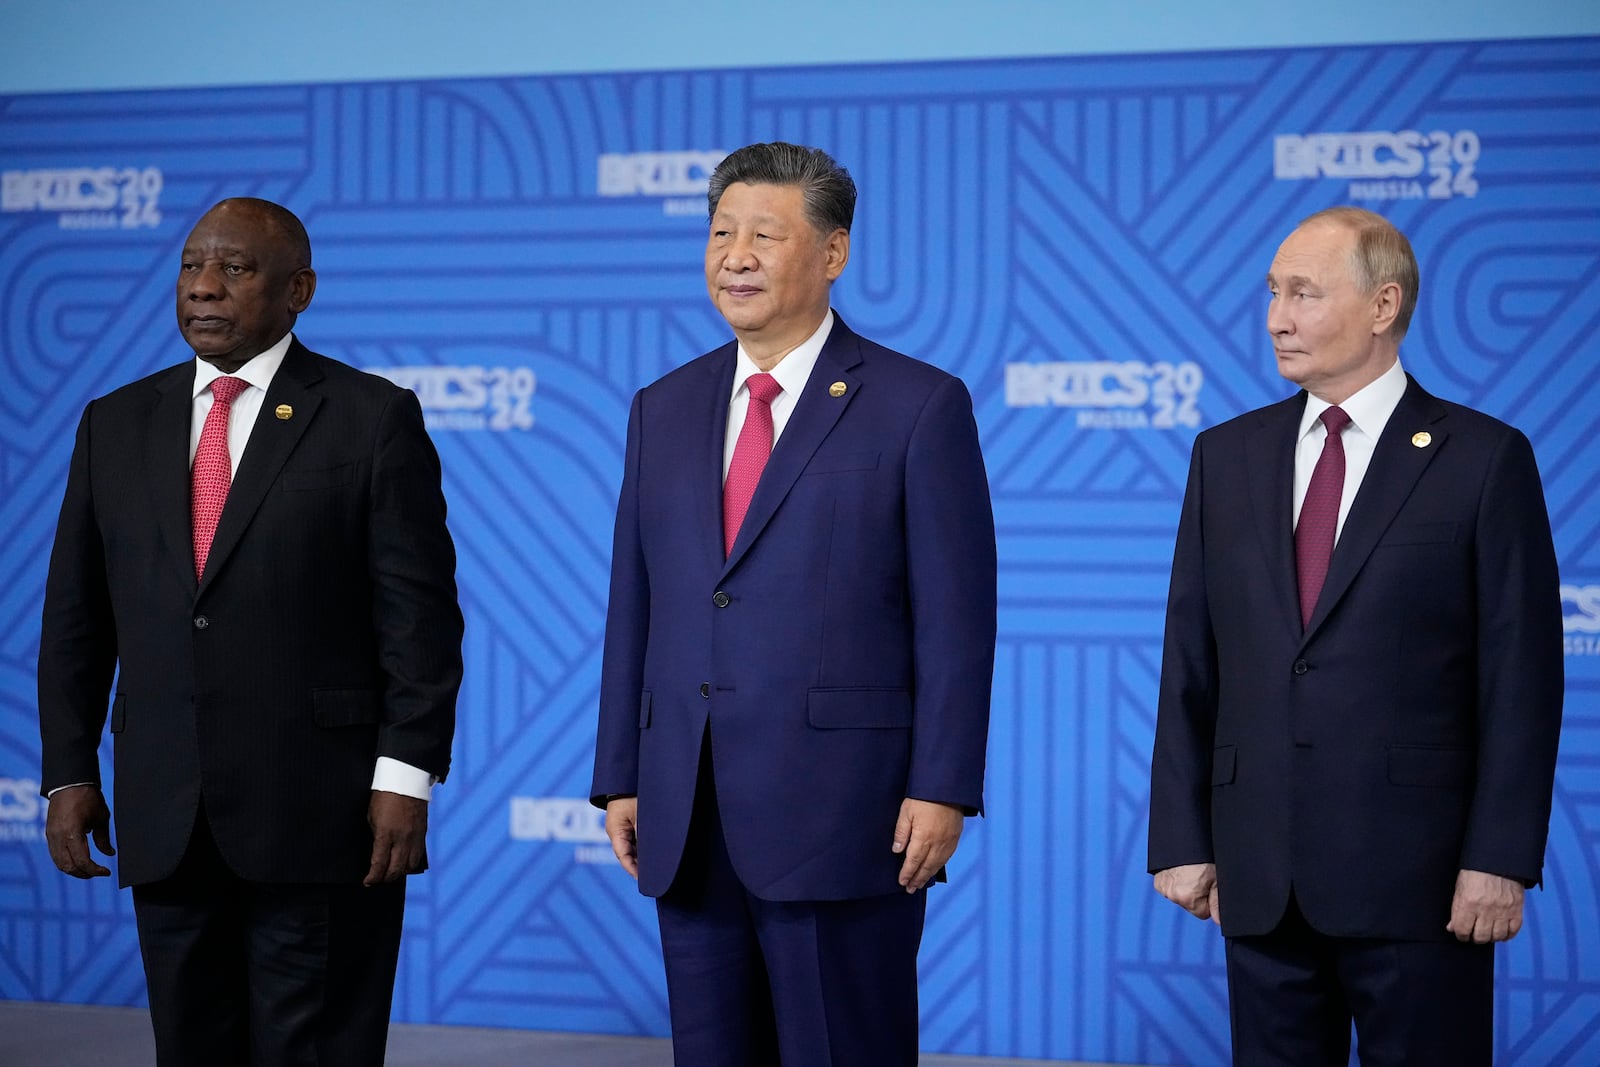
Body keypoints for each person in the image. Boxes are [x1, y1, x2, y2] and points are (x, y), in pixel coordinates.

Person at [590, 142, 996, 1066]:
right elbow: (635, 601)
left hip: (845, 815)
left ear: (834, 252)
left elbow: (957, 619)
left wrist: (942, 786)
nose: (735, 255)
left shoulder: (918, 405)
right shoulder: (664, 405)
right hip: (686, 810)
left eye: (765, 235)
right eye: (721, 232)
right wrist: (622, 768)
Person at [38, 197, 463, 1066]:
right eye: (194, 265)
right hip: (168, 818)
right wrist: (68, 771)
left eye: (235, 269)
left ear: (299, 288)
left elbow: (418, 623)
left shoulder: (370, 416)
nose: (204, 287)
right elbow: (76, 619)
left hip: (326, 814)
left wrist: (405, 777)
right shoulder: (113, 422)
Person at [1148, 206, 1563, 1064]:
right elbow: (1192, 660)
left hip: (1422, 882)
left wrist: (1500, 859)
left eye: (1303, 292)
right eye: (1271, 292)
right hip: (1261, 880)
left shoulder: (1484, 459)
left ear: (1384, 305)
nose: (1275, 318)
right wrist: (1182, 838)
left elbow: (1521, 679)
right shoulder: (1223, 456)